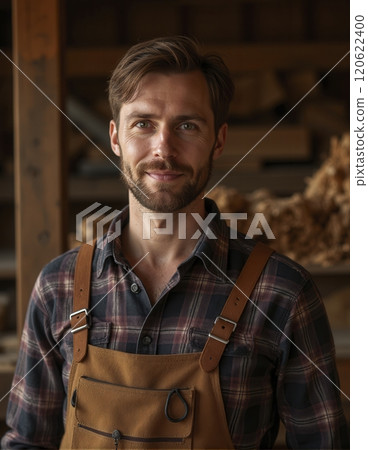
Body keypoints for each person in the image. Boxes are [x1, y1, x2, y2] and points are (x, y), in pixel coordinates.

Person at [1, 36, 349, 449]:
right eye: (143, 123)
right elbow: (26, 444)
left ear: (218, 140)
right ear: (115, 137)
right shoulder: (57, 287)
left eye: (187, 125)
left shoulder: (282, 294)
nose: (163, 148)